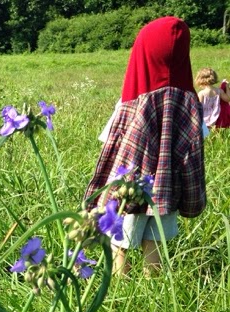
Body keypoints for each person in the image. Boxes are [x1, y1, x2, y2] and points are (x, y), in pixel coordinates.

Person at [84, 16, 206, 276]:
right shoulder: (190, 103)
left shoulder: (132, 101)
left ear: (142, 53)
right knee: (155, 241)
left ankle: (120, 283)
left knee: (121, 242)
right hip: (167, 190)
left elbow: (110, 140)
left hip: (130, 190)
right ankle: (153, 283)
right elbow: (196, 140)